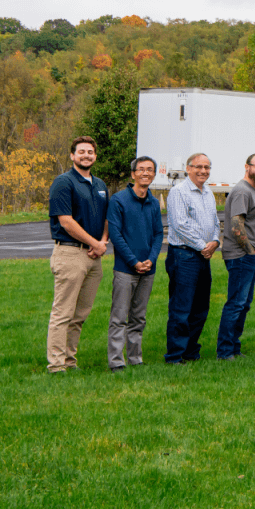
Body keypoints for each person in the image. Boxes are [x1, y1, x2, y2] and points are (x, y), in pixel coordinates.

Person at [46, 135, 109, 373]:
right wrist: (95, 243)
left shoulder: (100, 185)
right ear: (72, 155)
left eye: (90, 152)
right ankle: (56, 365)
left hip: (94, 256)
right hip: (70, 254)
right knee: (63, 313)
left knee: (80, 314)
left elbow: (106, 218)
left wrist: (102, 242)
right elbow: (66, 222)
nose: (86, 155)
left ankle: (70, 362)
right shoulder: (64, 182)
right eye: (81, 151)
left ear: (95, 156)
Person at [106, 156, 162, 372]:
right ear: (133, 174)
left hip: (148, 269)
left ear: (154, 174)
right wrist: (134, 261)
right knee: (119, 317)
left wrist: (151, 259)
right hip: (125, 269)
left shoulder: (154, 202)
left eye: (150, 170)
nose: (145, 173)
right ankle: (116, 361)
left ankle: (135, 358)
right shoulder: (119, 200)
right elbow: (115, 234)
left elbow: (158, 234)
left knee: (139, 317)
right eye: (141, 170)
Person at [165, 152, 220, 364]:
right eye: (198, 167)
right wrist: (202, 246)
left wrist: (214, 242)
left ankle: (191, 351)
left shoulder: (209, 193)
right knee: (181, 308)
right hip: (184, 255)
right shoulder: (179, 192)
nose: (203, 171)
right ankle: (175, 355)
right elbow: (180, 224)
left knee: (200, 308)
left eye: (207, 167)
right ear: (188, 168)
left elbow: (215, 222)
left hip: (203, 256)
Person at [217, 153, 255, 360]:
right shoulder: (241, 191)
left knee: (243, 303)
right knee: (236, 303)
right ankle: (225, 351)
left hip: (248, 256)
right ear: (247, 167)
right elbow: (236, 225)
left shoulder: (251, 191)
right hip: (241, 256)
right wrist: (249, 251)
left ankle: (234, 348)